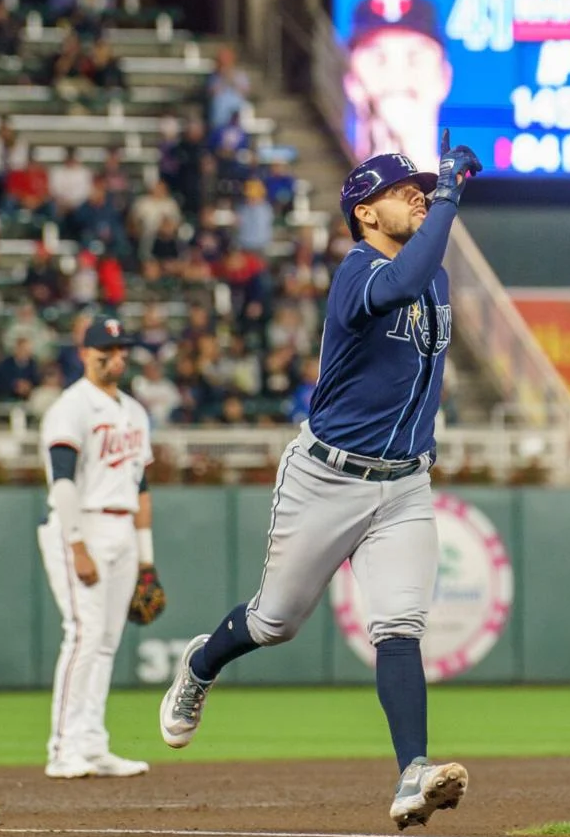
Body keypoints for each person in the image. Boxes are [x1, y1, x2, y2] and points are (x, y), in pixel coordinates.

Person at [158, 133, 482, 830]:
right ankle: (202, 663)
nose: (421, 195)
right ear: (365, 212)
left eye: (425, 188)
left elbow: (421, 287)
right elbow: (398, 284)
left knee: (399, 624)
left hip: (404, 485)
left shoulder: (435, 273)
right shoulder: (359, 271)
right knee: (275, 621)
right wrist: (451, 197)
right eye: (405, 192)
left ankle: (411, 774)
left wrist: (439, 206)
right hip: (326, 479)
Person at [38, 315, 158, 779]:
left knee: (107, 642)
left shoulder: (134, 410)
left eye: (123, 349)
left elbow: (142, 485)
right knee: (84, 634)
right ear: (86, 353)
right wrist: (76, 544)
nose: (117, 357)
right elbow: (62, 482)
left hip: (124, 527)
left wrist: (147, 559)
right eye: (108, 349)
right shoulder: (71, 407)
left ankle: (91, 743)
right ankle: (62, 747)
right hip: (81, 523)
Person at [344, 0, 453, 173]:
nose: (397, 74)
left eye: (415, 57)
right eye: (378, 58)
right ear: (351, 80)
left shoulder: (451, 191)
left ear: (444, 77)